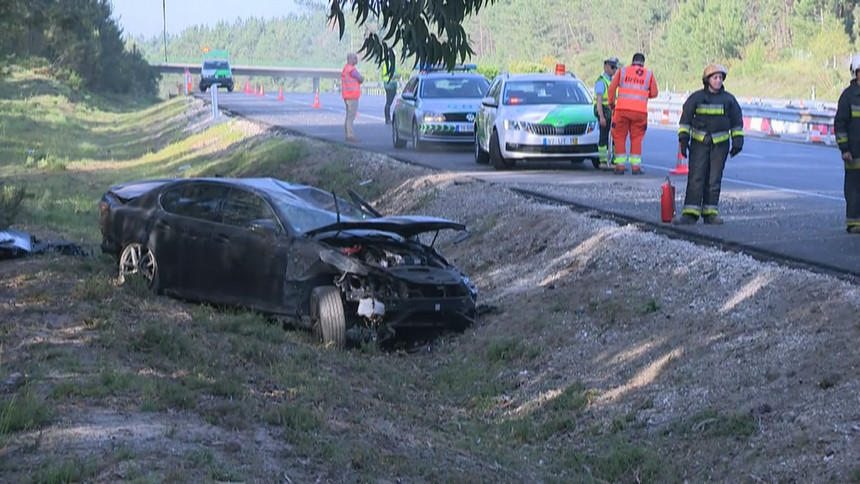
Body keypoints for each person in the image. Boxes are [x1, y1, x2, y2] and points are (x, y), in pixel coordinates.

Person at [674, 63, 744, 225]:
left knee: (714, 179)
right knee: (696, 178)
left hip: (720, 146)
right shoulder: (696, 98)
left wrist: (738, 141)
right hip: (699, 144)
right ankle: (690, 214)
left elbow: (736, 122)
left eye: (720, 78)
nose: (718, 81)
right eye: (715, 78)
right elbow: (685, 121)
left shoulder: (729, 100)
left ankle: (710, 213)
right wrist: (683, 140)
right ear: (707, 80)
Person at [607, 52, 658, 175]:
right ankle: (636, 168)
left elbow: (611, 89)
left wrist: (611, 104)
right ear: (643, 63)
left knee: (619, 136)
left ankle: (620, 167)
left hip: (622, 110)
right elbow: (654, 93)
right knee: (636, 139)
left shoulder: (623, 71)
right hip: (640, 112)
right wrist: (643, 95)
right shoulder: (648, 74)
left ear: (632, 61)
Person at [834, 53, 860, 234]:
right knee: (853, 189)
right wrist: (844, 149)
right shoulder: (848, 97)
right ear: (857, 73)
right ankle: (853, 222)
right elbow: (840, 124)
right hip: (854, 153)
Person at [593, 57, 619, 170]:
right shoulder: (601, 82)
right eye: (612, 67)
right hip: (604, 112)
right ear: (606, 67)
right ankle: (603, 160)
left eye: (615, 68)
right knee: (604, 137)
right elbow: (599, 101)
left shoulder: (612, 81)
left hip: (613, 113)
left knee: (615, 137)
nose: (614, 70)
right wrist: (601, 116)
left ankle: (614, 160)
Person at [341, 52, 365, 142]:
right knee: (351, 116)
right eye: (355, 58)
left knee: (348, 116)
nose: (356, 60)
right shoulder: (352, 70)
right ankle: (350, 135)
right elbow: (360, 79)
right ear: (350, 59)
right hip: (352, 96)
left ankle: (348, 134)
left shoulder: (345, 68)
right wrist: (362, 78)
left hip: (346, 95)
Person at [382, 54, 398, 124]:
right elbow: (387, 75)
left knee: (389, 102)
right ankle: (387, 118)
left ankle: (388, 118)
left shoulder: (391, 64)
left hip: (392, 85)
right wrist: (396, 76)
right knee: (388, 102)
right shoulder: (387, 64)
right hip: (389, 85)